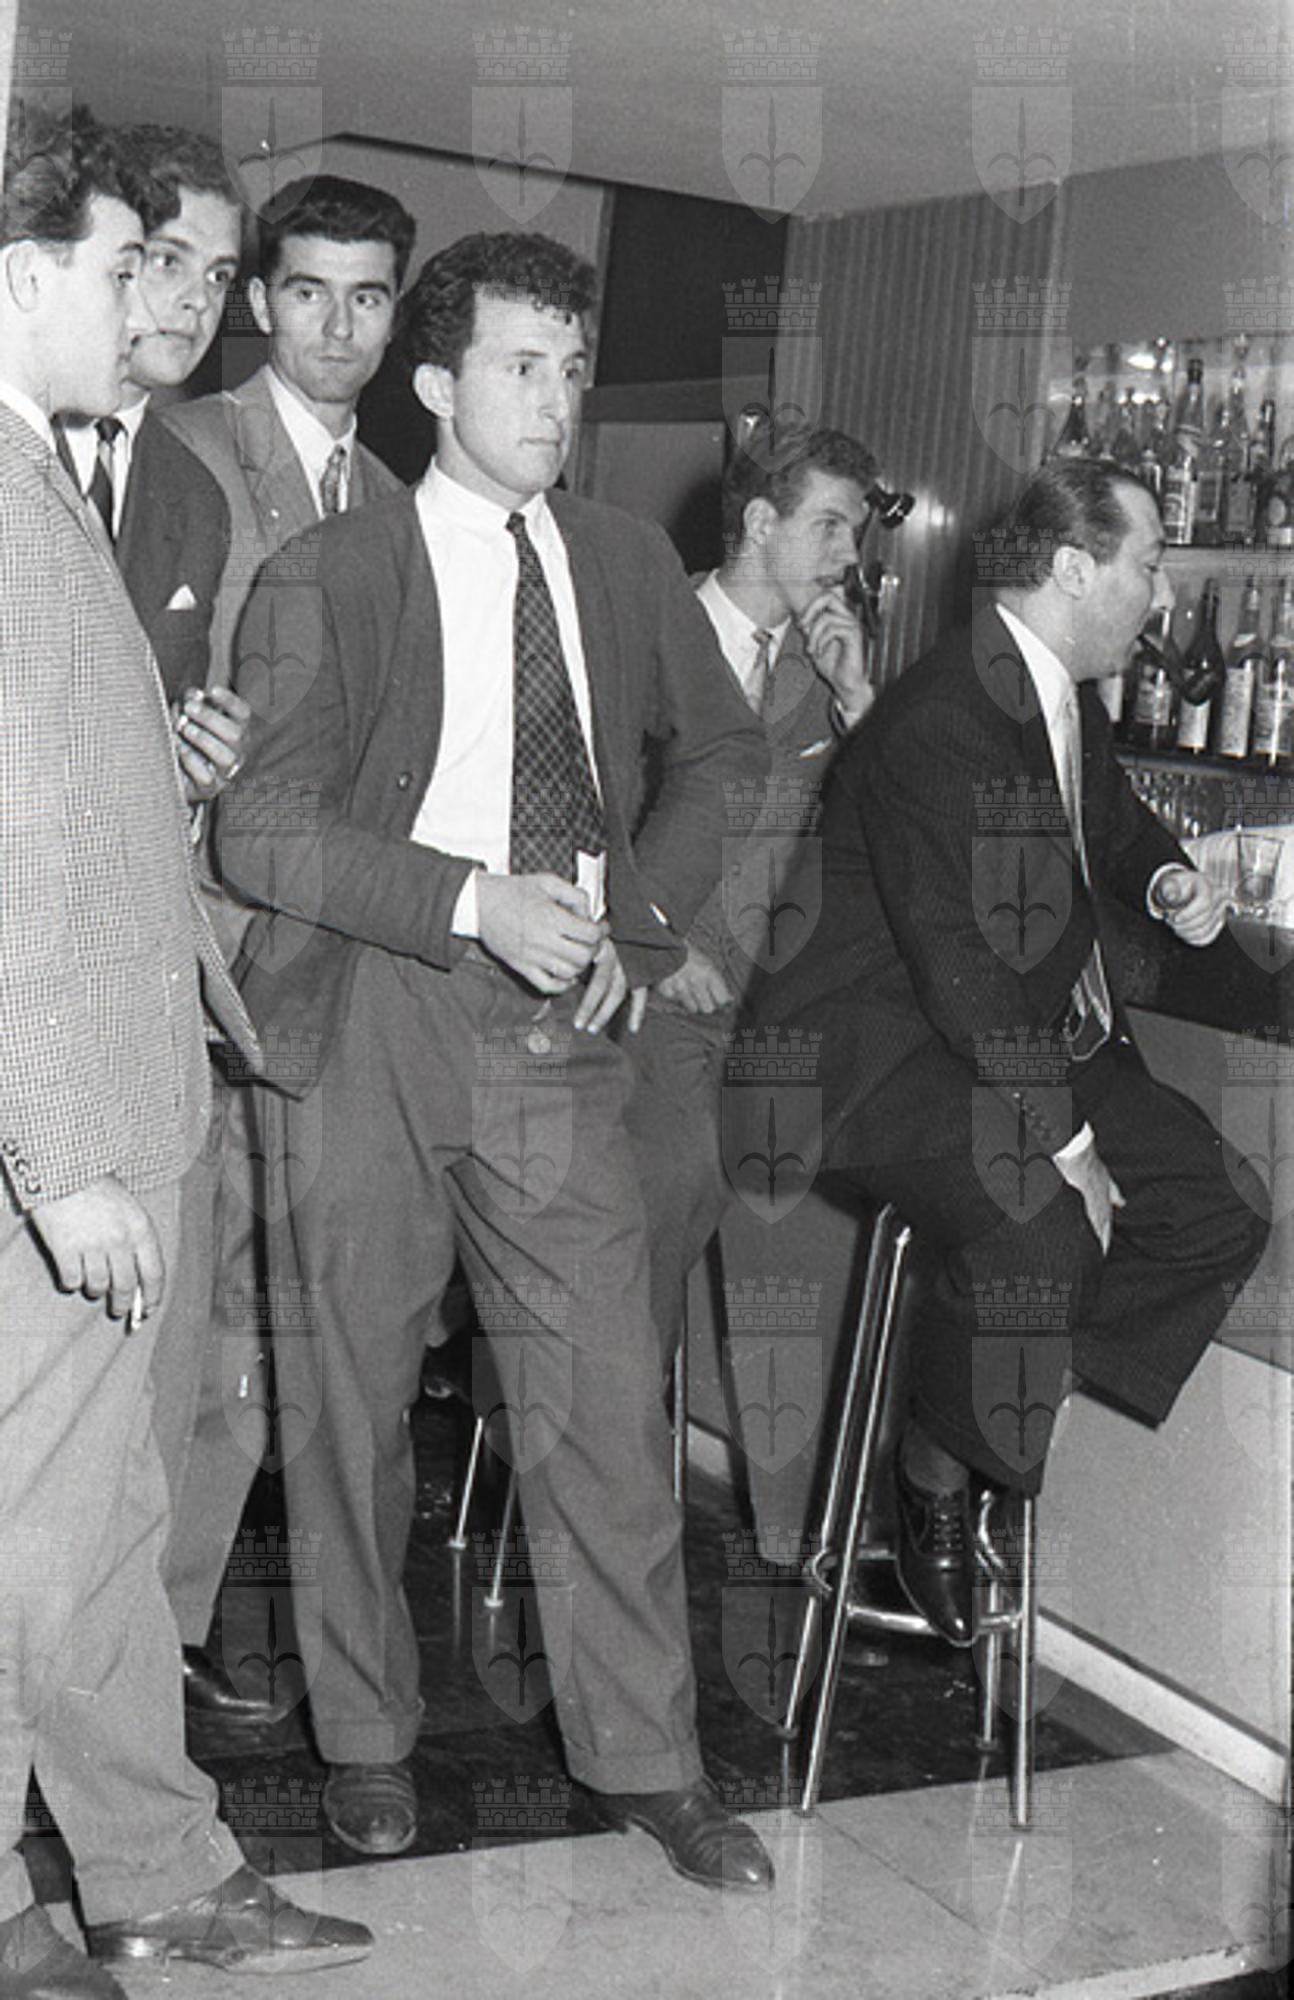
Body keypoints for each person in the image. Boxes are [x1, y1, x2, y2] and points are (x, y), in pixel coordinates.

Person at [218, 229, 774, 1891]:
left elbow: (721, 752)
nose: (555, 399)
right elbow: (260, 833)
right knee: (350, 1408)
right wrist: (471, 899)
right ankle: (366, 1743)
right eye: (520, 367)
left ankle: (647, 1758)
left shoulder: (618, 560)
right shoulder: (332, 572)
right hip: (374, 1013)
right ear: (436, 383)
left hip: (557, 1033)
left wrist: (635, 927)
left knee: (602, 1399)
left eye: (572, 369)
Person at [0, 107, 370, 1997]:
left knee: (97, 1515)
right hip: (61, 1109)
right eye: (121, 261)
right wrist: (63, 1153)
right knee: (49, 1526)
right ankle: (67, 1892)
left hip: (116, 1073)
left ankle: (146, 1869)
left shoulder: (52, 478)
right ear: (28, 276)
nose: (153, 297)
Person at [737, 457, 1270, 1641]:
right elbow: (959, 968)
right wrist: (1069, 1145)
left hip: (1002, 1036)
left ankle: (979, 1419)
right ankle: (930, 1476)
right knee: (1039, 1221)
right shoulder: (945, 717)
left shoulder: (1056, 694)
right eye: (1147, 567)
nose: (1160, 597)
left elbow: (1108, 821)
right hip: (868, 1055)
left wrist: (1165, 879)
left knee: (1218, 1205)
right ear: (1074, 568)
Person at [148, 171, 414, 1722]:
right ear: (261, 301)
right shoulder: (179, 446)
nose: (336, 324)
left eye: (367, 296)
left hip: (323, 962)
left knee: (267, 1312)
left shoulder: (396, 505)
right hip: (185, 942)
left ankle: (166, 1630)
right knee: (158, 1314)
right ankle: (86, 1658)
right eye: (306, 289)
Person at [53, 125, 273, 1726]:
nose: (187, 301)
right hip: (32, 1003)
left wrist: (199, 761)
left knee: (121, 1424)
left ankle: (112, 1781)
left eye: (212, 273)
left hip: (134, 1001)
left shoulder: (189, 493)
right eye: (159, 261)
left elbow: (145, 729)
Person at [626, 421, 878, 1351]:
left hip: (765, 1011)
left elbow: (888, 832)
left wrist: (860, 707)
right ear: (762, 523)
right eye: (830, 527)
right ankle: (609, 1415)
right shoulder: (645, 634)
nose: (849, 557)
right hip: (644, 989)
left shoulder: (826, 667)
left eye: (856, 533)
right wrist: (655, 942)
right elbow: (575, 813)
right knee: (676, 1173)